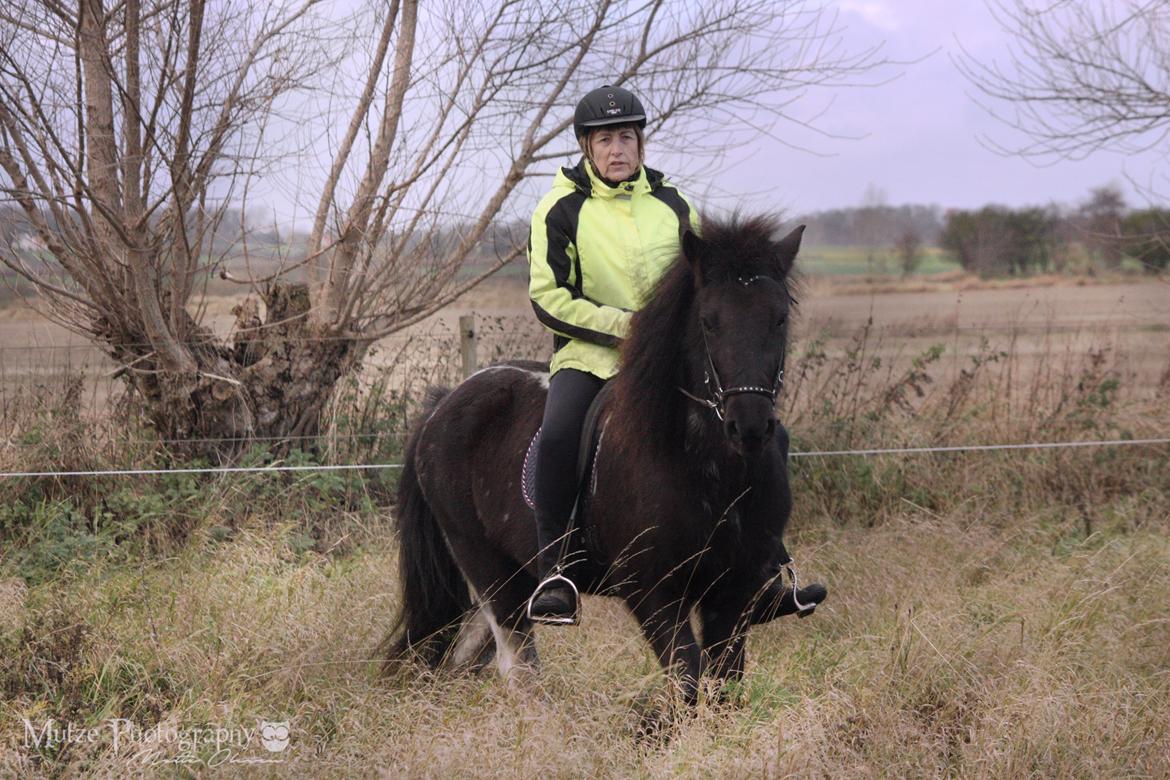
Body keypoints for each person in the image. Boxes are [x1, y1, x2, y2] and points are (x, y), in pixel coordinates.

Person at [526, 85, 700, 625]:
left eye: (626, 136)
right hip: (591, 355)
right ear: (586, 146)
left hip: (674, 358)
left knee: (753, 426)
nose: (617, 149)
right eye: (605, 139)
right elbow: (548, 296)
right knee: (558, 434)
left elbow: (704, 282)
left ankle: (766, 565)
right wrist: (631, 330)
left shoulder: (675, 204)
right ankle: (556, 568)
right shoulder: (560, 208)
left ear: (641, 143)